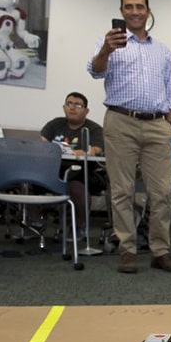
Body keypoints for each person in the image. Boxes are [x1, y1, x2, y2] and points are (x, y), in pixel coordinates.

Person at [87, 0, 171, 274]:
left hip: (157, 125)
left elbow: (170, 92)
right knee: (122, 191)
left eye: (140, 6)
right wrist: (106, 48)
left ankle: (160, 251)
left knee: (161, 193)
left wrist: (169, 124)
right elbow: (95, 70)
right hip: (121, 122)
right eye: (128, 7)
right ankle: (127, 250)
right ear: (121, 12)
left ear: (148, 11)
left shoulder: (162, 50)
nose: (135, 11)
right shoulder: (110, 44)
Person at [39, 92, 107, 235]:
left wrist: (75, 152)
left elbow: (95, 150)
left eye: (78, 105)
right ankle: (34, 222)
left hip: (84, 172)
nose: (72, 108)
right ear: (64, 107)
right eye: (69, 104)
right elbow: (43, 145)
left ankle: (81, 225)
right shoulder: (55, 124)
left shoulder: (94, 129)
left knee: (76, 186)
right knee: (29, 179)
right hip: (54, 170)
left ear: (86, 110)